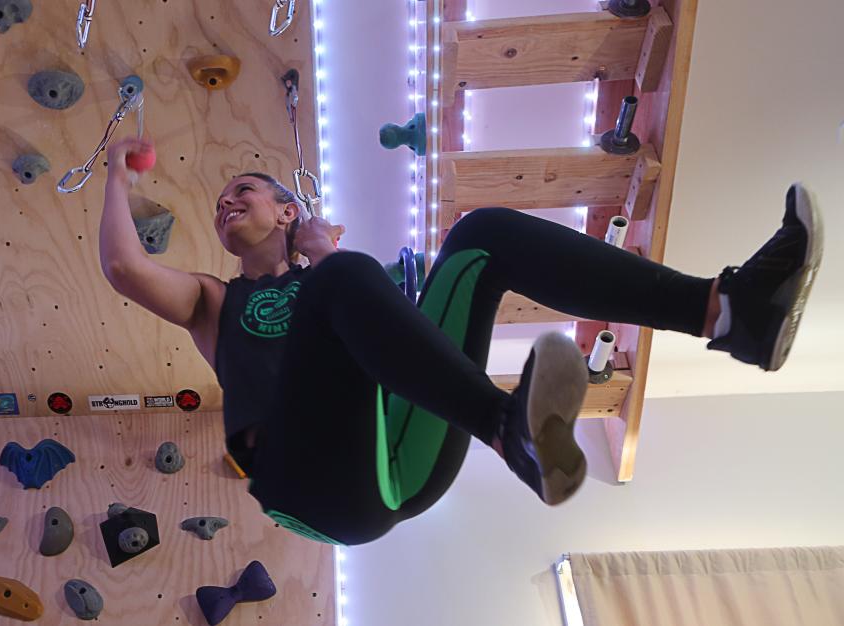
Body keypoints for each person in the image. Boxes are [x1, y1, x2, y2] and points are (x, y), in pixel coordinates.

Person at [99, 136, 824, 546]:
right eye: (221, 202)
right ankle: (510, 431)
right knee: (340, 280)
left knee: (479, 238)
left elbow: (374, 321)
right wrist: (111, 174)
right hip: (313, 487)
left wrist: (322, 255)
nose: (227, 205)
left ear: (288, 209)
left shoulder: (335, 275)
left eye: (242, 194)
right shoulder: (215, 299)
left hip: (402, 464)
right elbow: (124, 268)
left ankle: (730, 314)